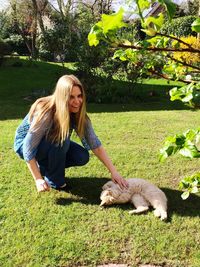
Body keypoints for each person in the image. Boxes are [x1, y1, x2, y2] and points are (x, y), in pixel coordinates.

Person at [14, 74, 128, 193]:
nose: (77, 101)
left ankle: (45, 168)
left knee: (81, 156)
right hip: (25, 144)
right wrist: (38, 179)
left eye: (79, 96)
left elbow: (95, 145)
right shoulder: (46, 112)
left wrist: (114, 172)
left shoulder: (78, 113)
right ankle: (56, 181)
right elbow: (28, 146)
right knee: (61, 139)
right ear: (62, 97)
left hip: (52, 140)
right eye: (71, 97)